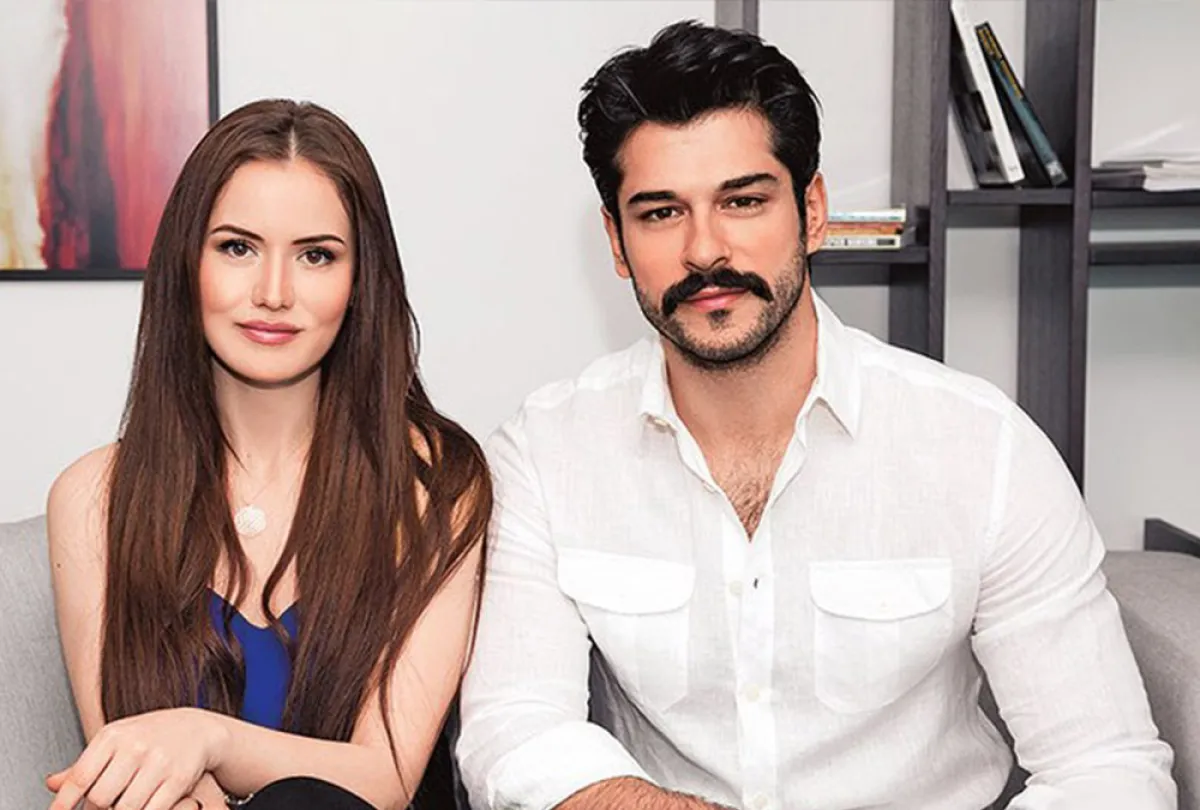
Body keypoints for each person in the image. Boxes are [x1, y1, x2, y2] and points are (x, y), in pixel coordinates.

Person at [455, 20, 1176, 810]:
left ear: (814, 210)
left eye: (743, 201)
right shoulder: (548, 450)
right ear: (617, 243)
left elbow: (1105, 766)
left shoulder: (982, 447)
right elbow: (514, 729)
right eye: (661, 213)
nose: (705, 251)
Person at [45, 99, 491, 810]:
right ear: (187, 263)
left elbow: (385, 778)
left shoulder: (437, 484)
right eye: (237, 248)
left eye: (316, 255)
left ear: (360, 281)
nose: (273, 293)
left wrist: (209, 738)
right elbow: (125, 771)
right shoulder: (93, 497)